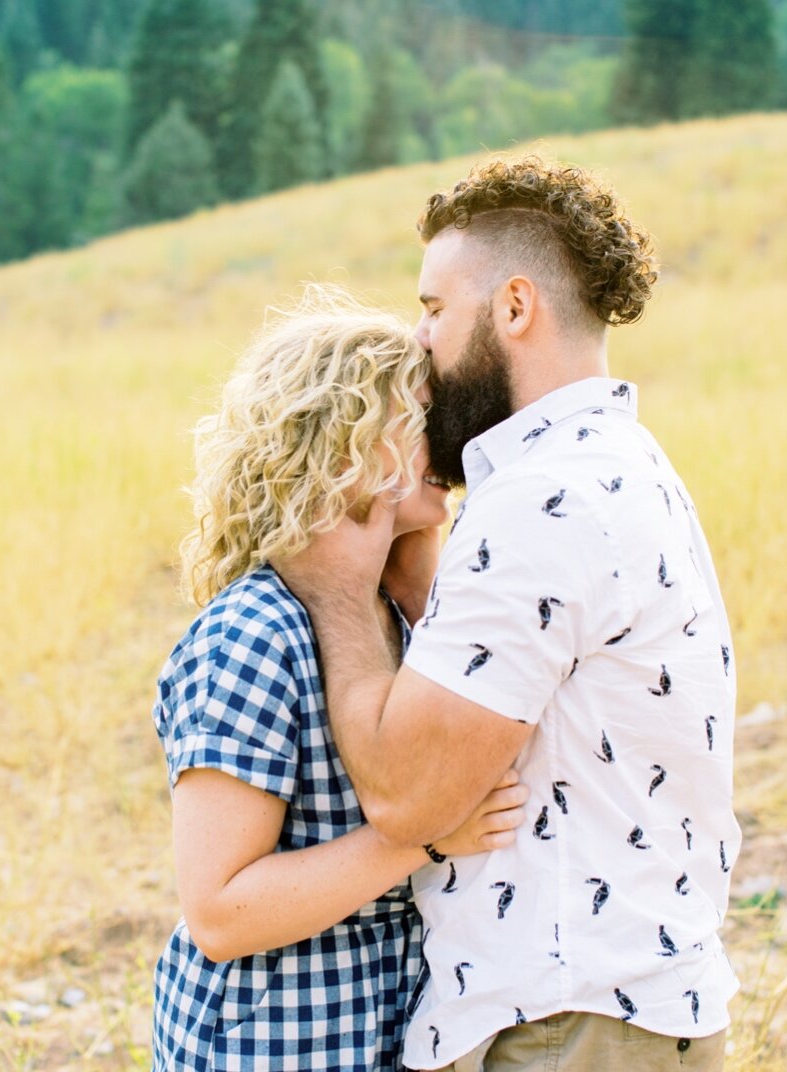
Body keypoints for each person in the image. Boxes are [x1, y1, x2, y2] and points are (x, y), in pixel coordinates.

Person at [275, 158, 741, 1071]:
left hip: (564, 1025)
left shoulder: (542, 501)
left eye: (434, 309)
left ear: (515, 306)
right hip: (632, 1006)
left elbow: (409, 793)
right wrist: (416, 584)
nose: (419, 342)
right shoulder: (622, 463)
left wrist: (333, 589)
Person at [150, 286, 530, 1071]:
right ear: (351, 442)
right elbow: (219, 910)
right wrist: (421, 839)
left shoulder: (396, 615)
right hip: (270, 1043)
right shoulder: (253, 635)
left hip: (373, 1033)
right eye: (429, 419)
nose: (455, 440)